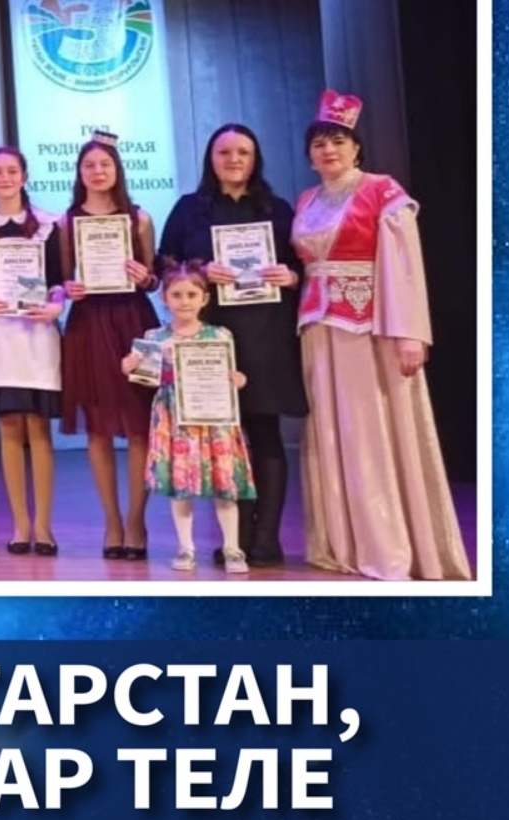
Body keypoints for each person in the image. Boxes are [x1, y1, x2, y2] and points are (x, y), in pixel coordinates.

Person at [289, 90, 470, 580]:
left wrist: (409, 333)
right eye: (319, 143)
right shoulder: (306, 200)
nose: (329, 150)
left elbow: (404, 267)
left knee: (370, 430)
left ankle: (387, 545)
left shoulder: (382, 191)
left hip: (367, 326)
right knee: (331, 431)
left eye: (338, 141)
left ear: (356, 148)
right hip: (317, 327)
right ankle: (344, 542)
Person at [159, 123, 305, 567]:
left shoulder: (278, 209)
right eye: (224, 152)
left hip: (267, 334)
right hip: (212, 337)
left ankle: (267, 539)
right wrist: (200, 269)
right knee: (225, 436)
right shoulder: (189, 209)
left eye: (243, 152)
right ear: (211, 158)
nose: (234, 159)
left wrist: (291, 276)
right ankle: (234, 540)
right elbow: (165, 262)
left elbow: (303, 264)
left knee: (265, 433)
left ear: (255, 158)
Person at [59, 130, 159, 561]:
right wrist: (69, 289)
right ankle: (112, 522)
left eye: (105, 164)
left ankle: (136, 521)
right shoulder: (65, 223)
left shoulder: (139, 218)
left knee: (139, 426)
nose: (97, 171)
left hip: (132, 321)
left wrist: (145, 277)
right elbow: (63, 281)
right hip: (89, 324)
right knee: (98, 428)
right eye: (89, 165)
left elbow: (154, 279)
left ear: (117, 170)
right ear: (79, 172)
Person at [122, 260, 256, 574]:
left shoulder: (219, 335)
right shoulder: (155, 337)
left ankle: (233, 548)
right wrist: (133, 365)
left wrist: (238, 379)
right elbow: (145, 378)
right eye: (177, 295)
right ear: (165, 298)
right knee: (181, 484)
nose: (184, 301)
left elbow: (232, 374)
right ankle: (185, 547)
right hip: (174, 419)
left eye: (192, 295)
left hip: (214, 419)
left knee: (224, 483)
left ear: (204, 298)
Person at [0, 146, 66, 556]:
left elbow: (59, 279)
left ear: (24, 177)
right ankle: (19, 525)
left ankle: (43, 525)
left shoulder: (48, 224)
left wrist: (56, 304)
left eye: (12, 171)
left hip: (38, 336)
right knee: (9, 428)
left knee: (38, 429)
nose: (5, 178)